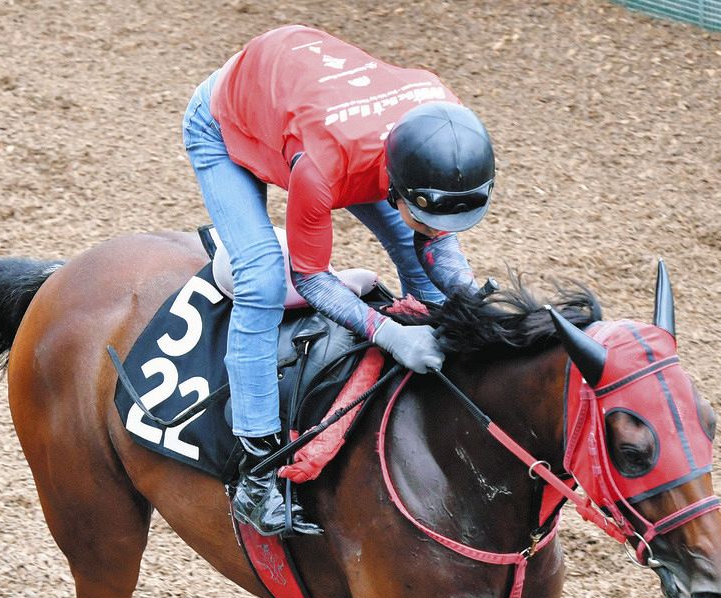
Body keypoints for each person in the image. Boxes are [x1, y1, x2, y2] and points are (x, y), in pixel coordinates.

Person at [182, 24, 495, 536]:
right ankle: (255, 473)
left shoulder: (444, 122)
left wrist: (468, 300)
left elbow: (436, 245)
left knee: (422, 262)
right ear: (396, 184)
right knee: (262, 280)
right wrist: (389, 332)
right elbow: (311, 279)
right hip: (225, 122)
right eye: (430, 216)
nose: (442, 233)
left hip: (313, 110)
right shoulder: (325, 166)